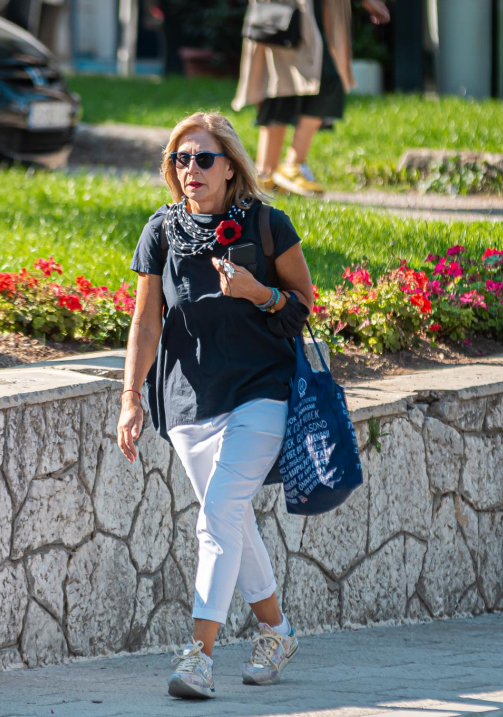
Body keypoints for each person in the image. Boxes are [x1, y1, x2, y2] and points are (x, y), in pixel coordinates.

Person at [119, 111, 313, 699]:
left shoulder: (267, 224)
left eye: (204, 158)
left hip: (261, 390)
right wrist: (131, 398)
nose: (191, 169)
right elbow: (146, 320)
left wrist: (258, 292)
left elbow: (303, 303)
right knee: (229, 517)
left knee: (217, 515)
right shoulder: (161, 230)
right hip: (186, 400)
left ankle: (198, 656)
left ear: (231, 167)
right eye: (181, 158)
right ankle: (277, 631)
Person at [232, 0, 390, 196]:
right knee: (287, 83)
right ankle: (281, 169)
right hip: (285, 8)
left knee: (287, 83)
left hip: (307, 9)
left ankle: (268, 174)